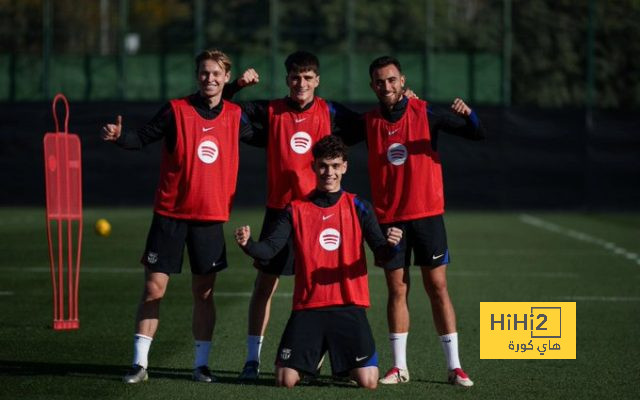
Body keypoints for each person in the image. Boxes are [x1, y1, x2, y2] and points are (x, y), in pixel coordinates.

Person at [101, 49, 262, 384]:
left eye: (216, 73)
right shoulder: (176, 110)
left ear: (226, 77)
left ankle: (201, 365)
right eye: (204, 73)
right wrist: (120, 138)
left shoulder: (235, 115)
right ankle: (139, 364)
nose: (210, 78)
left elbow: (267, 136)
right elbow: (141, 138)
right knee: (153, 289)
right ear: (196, 75)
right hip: (170, 216)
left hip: (210, 219)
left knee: (204, 293)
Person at [222, 50, 364, 381]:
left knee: (323, 288)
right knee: (264, 285)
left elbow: (369, 123)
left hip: (319, 213)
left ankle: (322, 358)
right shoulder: (271, 111)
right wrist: (238, 85)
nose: (301, 83)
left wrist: (405, 99)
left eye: (308, 77)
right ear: (287, 79)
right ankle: (251, 360)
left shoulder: (330, 111)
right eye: (295, 77)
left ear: (317, 80)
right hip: (280, 212)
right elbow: (225, 107)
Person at [234, 135, 402, 389]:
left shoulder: (358, 206)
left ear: (345, 167)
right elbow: (269, 250)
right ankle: (314, 361)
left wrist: (391, 245)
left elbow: (382, 253)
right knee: (284, 380)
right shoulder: (296, 208)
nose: (329, 172)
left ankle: (337, 363)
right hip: (308, 307)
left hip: (348, 306)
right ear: (314, 166)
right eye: (323, 165)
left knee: (369, 381)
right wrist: (248, 245)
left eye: (335, 166)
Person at [363, 56, 486, 387]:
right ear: (372, 86)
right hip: (390, 221)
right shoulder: (369, 121)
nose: (386, 86)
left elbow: (476, 134)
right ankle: (399, 367)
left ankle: (454, 367)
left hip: (427, 216)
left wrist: (469, 114)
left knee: (438, 288)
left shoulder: (425, 113)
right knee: (397, 290)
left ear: (402, 81)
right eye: (379, 81)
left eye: (391, 80)